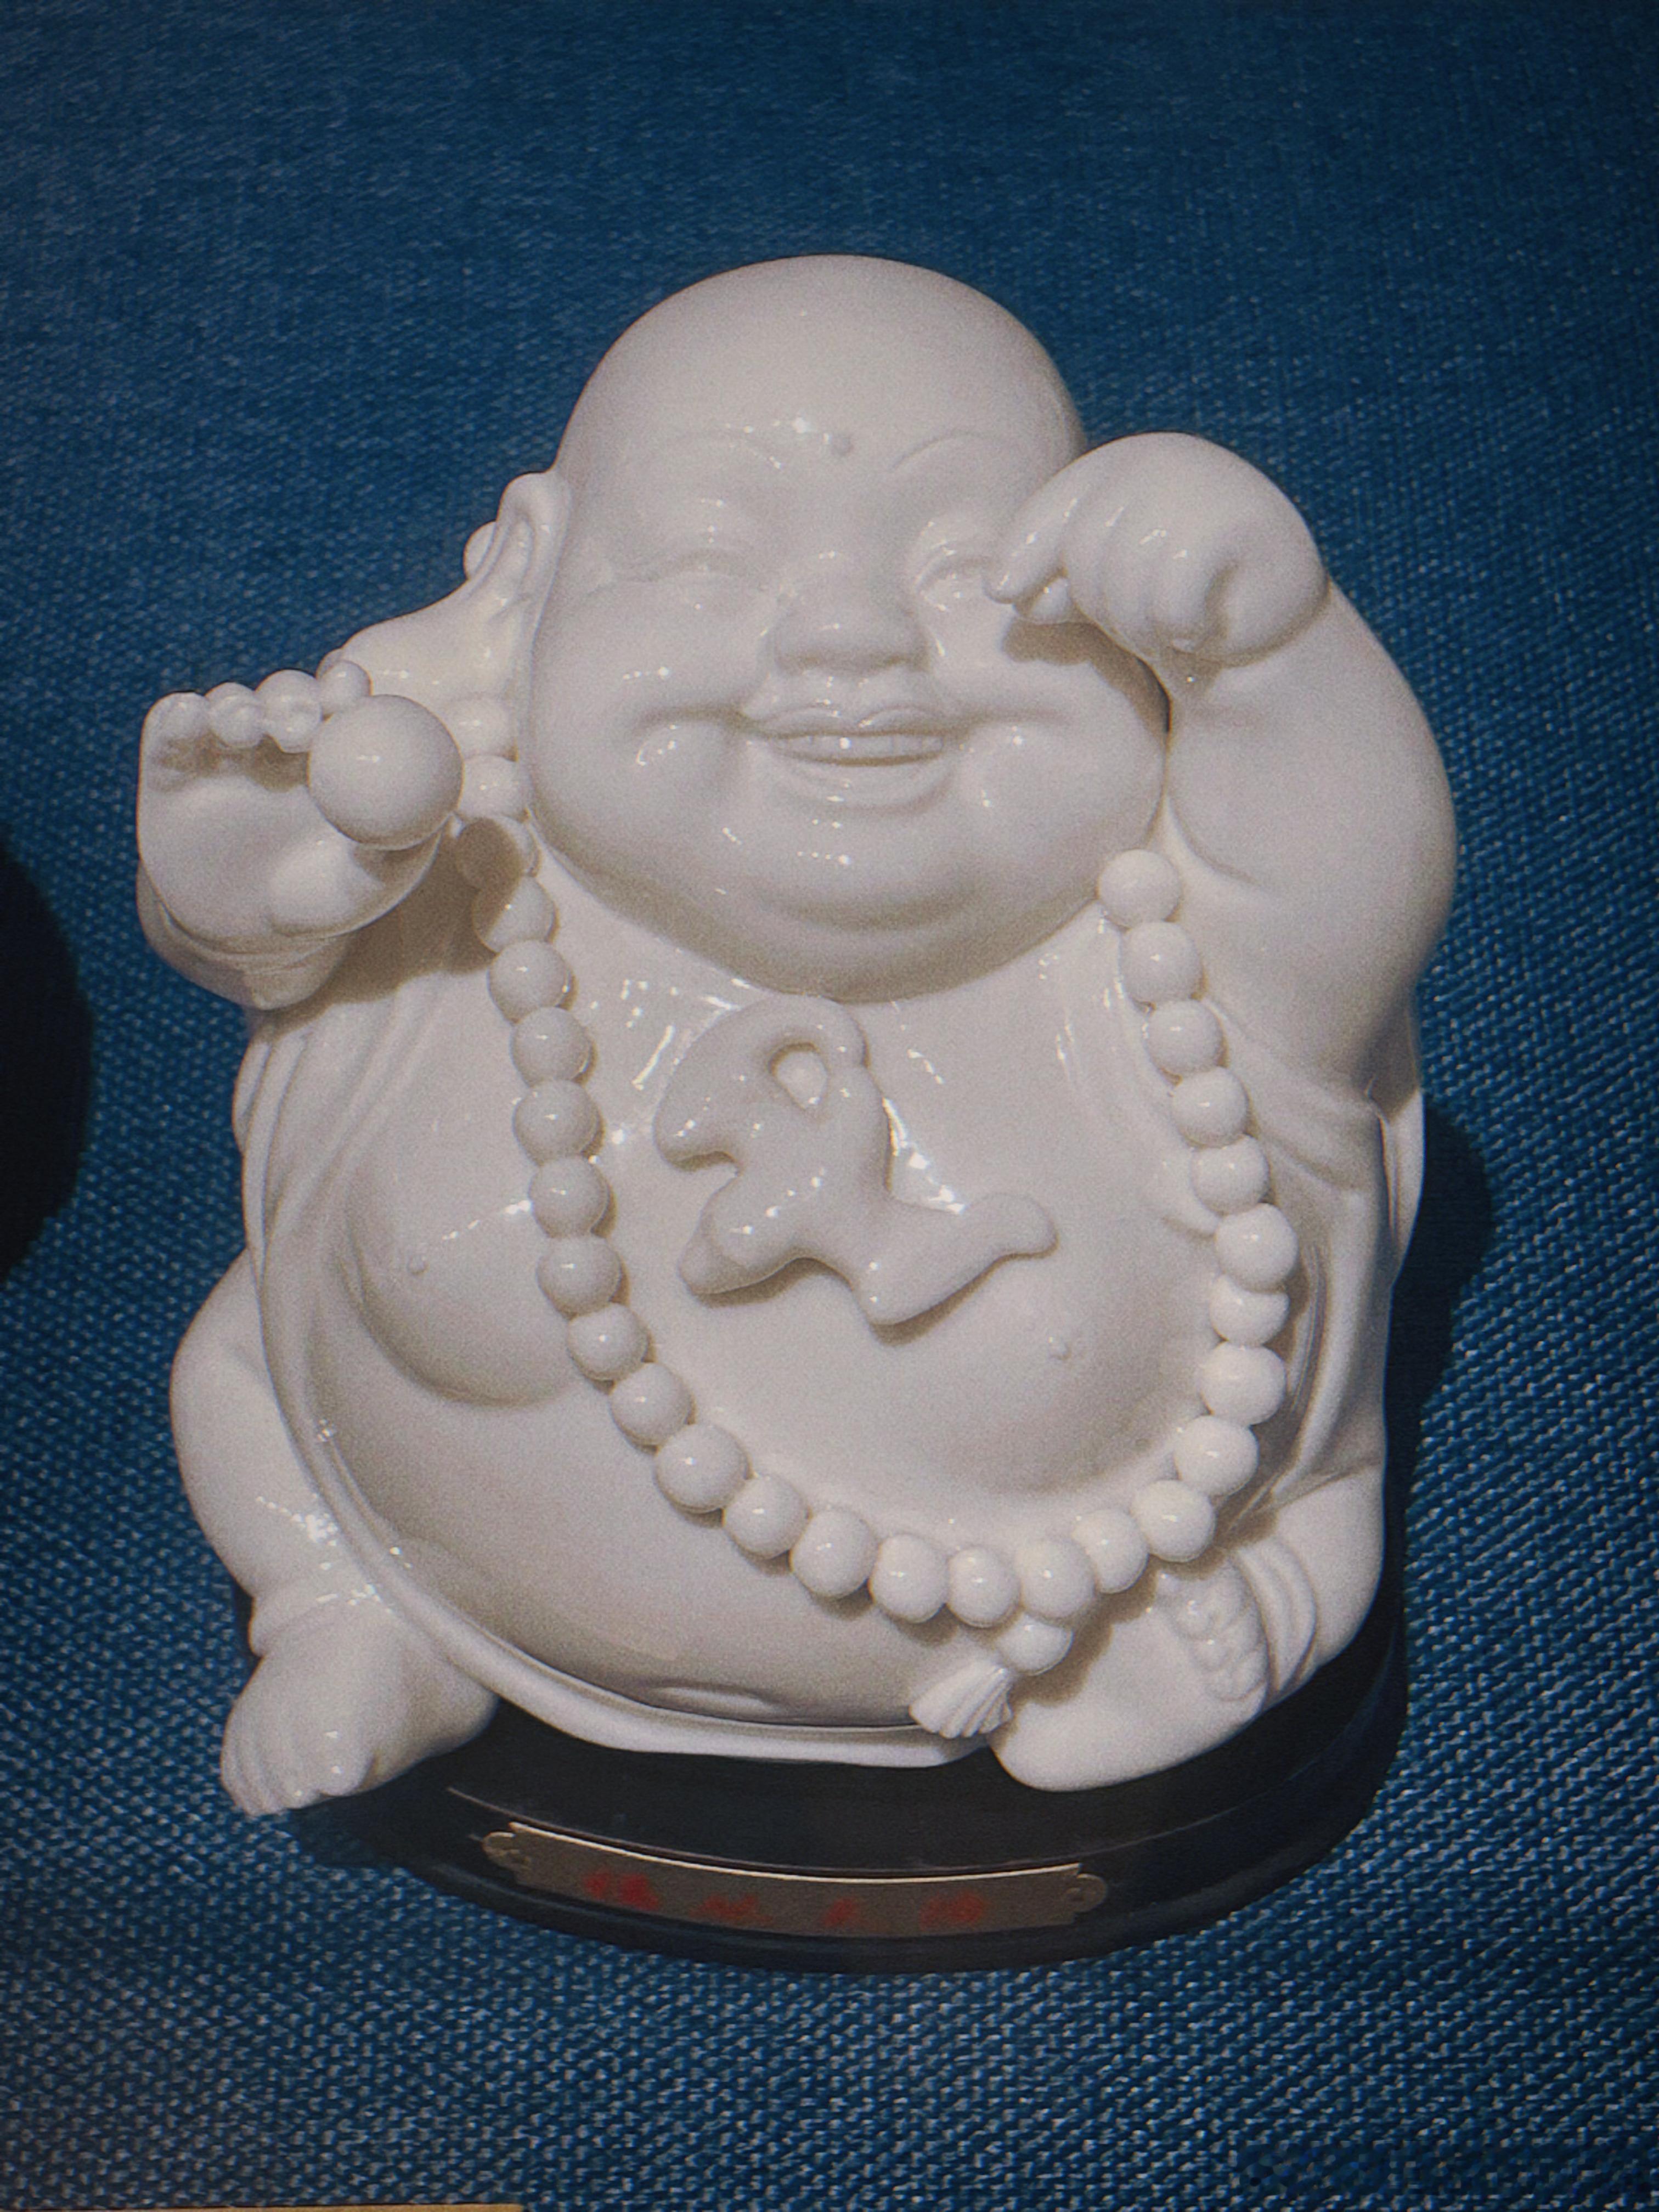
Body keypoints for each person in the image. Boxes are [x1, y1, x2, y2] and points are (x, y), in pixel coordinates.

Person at [139, 256, 1455, 1810]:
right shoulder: (467, 869)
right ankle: (345, 1608)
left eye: (964, 568)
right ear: (535, 584)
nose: (851, 637)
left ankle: (1247, 1610)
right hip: (426, 1556)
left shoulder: (1185, 949)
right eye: (710, 559)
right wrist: (279, 859)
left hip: (1063, 1610)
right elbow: (250, 930)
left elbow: (1359, 875)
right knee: (240, 1371)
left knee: (1221, 1462)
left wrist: (1271, 645)